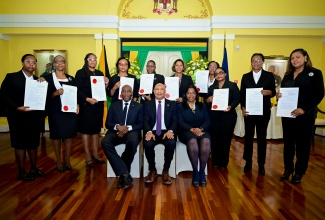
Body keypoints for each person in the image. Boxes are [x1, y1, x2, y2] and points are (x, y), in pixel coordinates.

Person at [277, 48, 324, 184]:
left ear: (305, 58)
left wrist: (303, 109)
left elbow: (319, 94)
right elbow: (284, 92)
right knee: (288, 144)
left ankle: (299, 172)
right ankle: (288, 169)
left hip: (305, 116)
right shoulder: (288, 75)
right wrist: (280, 95)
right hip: (287, 115)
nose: (295, 60)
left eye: (298, 57)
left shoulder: (314, 73)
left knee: (303, 145)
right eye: (292, 58)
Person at [0, 54, 45, 181]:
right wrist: (17, 107)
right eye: (28, 61)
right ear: (22, 63)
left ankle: (34, 168)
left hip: (33, 116)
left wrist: (43, 85)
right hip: (17, 116)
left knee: (33, 143)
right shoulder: (12, 77)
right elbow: (4, 96)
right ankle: (21, 171)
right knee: (20, 144)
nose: (31, 64)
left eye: (34, 62)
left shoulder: (38, 80)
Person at [240, 53, 276, 175]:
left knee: (262, 138)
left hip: (263, 112)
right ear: (251, 63)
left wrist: (269, 92)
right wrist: (243, 108)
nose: (256, 63)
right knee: (248, 137)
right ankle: (248, 162)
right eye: (253, 61)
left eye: (258, 61)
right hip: (249, 112)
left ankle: (261, 164)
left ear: (262, 62)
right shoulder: (245, 77)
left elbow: (274, 92)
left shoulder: (269, 76)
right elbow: (242, 95)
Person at [101, 85, 143, 188]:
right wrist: (117, 127)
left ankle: (122, 175)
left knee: (133, 141)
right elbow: (108, 123)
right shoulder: (114, 105)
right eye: (124, 91)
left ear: (132, 93)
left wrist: (126, 128)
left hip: (131, 132)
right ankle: (125, 173)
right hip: (115, 131)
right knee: (105, 142)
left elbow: (141, 124)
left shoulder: (138, 106)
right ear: (121, 94)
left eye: (129, 91)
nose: (126, 93)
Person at [43, 55, 78, 172]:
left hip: (69, 111)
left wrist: (77, 105)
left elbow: (75, 94)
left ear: (65, 63)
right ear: (54, 64)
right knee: (57, 137)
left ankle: (67, 160)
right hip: (55, 111)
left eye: (62, 61)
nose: (60, 63)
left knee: (68, 136)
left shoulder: (71, 79)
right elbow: (44, 96)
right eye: (57, 61)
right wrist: (55, 93)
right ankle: (58, 160)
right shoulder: (47, 78)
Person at [75, 53, 109, 167]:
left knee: (95, 131)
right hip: (86, 105)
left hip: (97, 106)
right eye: (90, 59)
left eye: (94, 59)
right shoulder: (80, 73)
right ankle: (88, 156)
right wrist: (87, 99)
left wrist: (106, 83)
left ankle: (96, 154)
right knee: (86, 131)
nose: (93, 61)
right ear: (86, 61)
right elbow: (77, 89)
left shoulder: (100, 73)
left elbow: (102, 90)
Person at [206, 67, 240, 169]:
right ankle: (215, 161)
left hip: (228, 117)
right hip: (214, 117)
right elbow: (206, 101)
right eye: (216, 74)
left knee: (225, 139)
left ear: (225, 74)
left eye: (221, 73)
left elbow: (237, 99)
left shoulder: (232, 86)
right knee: (215, 139)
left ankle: (224, 162)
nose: (219, 75)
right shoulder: (212, 87)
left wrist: (231, 106)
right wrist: (208, 100)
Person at [143, 83, 177, 185]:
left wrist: (170, 131)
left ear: (165, 91)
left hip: (166, 131)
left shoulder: (172, 104)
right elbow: (145, 121)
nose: (159, 91)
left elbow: (175, 121)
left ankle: (166, 170)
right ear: (153, 91)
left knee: (171, 143)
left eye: (161, 89)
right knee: (148, 143)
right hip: (152, 131)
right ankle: (152, 170)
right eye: (157, 89)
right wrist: (148, 132)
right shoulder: (147, 104)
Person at [178, 85, 210, 187]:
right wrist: (191, 129)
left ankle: (202, 171)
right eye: (188, 93)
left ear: (196, 95)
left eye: (193, 93)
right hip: (186, 131)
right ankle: (195, 171)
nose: (191, 95)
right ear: (185, 95)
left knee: (206, 141)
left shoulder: (202, 105)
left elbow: (207, 120)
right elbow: (180, 122)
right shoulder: (180, 106)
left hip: (201, 130)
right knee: (192, 142)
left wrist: (200, 129)